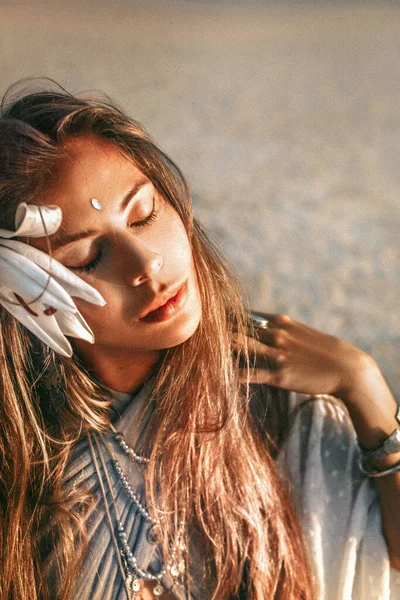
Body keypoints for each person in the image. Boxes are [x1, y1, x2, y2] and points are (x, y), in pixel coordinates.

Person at [0, 80, 399, 600]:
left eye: (144, 213)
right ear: (22, 296)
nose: (148, 265)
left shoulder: (277, 394)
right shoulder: (27, 455)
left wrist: (364, 387)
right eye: (86, 259)